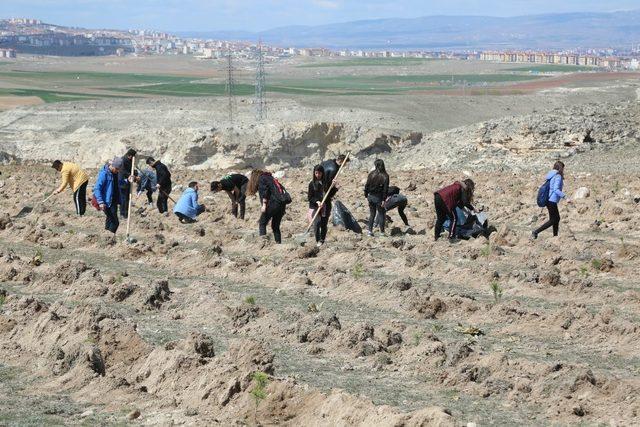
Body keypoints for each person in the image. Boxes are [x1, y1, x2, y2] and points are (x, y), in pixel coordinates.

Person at [247, 169, 287, 244]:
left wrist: (264, 205)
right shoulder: (271, 178)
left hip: (272, 204)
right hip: (281, 204)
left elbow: (264, 192)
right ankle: (278, 244)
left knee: (262, 223)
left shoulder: (261, 179)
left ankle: (264, 243)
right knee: (275, 226)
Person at [532, 161, 566, 239]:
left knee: (555, 218)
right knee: (554, 219)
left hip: (548, 199)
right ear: (560, 168)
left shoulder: (551, 175)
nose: (563, 170)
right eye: (563, 168)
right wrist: (565, 197)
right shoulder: (558, 176)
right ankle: (536, 232)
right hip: (552, 200)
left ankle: (555, 236)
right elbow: (556, 189)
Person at [308, 165, 338, 247]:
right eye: (316, 173)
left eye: (319, 173)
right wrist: (317, 201)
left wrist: (334, 186)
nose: (318, 175)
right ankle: (318, 240)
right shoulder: (311, 184)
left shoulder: (327, 182)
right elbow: (310, 197)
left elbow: (330, 194)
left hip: (326, 206)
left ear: (322, 173)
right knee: (317, 223)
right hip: (316, 207)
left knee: (324, 224)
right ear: (314, 173)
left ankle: (322, 240)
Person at [93, 157, 122, 234]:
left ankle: (106, 236)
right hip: (107, 201)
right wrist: (100, 201)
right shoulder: (104, 173)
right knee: (115, 222)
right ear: (112, 166)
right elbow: (97, 188)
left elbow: (119, 183)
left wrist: (128, 180)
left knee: (109, 220)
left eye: (119, 169)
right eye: (117, 169)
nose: (118, 171)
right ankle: (109, 238)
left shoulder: (115, 173)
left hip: (114, 200)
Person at [364, 159, 390, 237]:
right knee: (381, 214)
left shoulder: (371, 174)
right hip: (379, 197)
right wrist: (384, 199)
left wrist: (366, 195)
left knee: (372, 214)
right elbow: (385, 189)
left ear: (376, 165)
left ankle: (369, 231)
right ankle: (382, 232)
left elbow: (366, 185)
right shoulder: (385, 176)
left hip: (370, 196)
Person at [118, 149, 137, 219]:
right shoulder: (123, 160)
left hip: (128, 181)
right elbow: (123, 171)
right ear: (130, 155)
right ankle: (123, 214)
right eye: (132, 156)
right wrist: (130, 175)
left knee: (127, 198)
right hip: (123, 181)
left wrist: (136, 174)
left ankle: (126, 214)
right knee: (123, 198)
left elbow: (132, 169)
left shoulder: (130, 160)